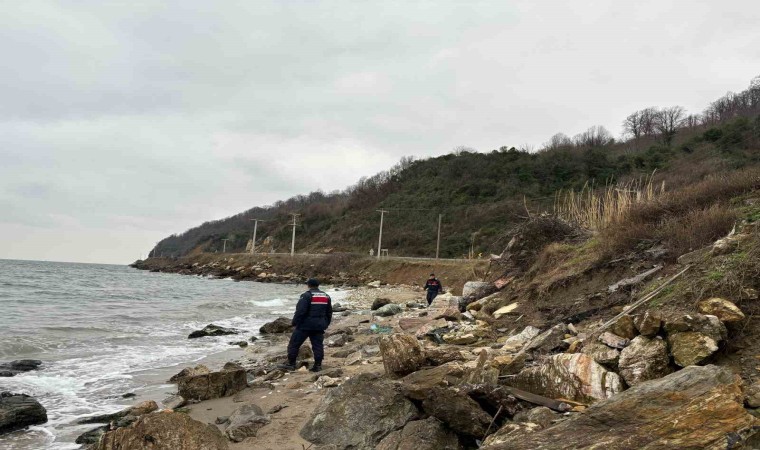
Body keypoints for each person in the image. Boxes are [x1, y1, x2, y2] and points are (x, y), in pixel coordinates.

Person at [277, 278, 332, 372]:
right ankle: (318, 366)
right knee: (318, 346)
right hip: (319, 325)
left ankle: (291, 364)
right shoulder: (326, 296)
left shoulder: (306, 295)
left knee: (294, 344)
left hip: (304, 326)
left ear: (309, 285)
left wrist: (294, 322)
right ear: (318, 285)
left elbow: (300, 311)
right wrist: (326, 324)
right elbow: (329, 312)